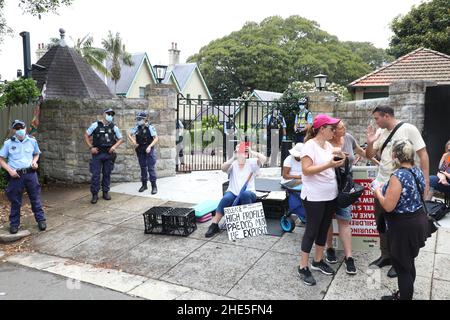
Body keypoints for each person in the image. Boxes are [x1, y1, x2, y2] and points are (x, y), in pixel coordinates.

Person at [366, 106, 429, 278]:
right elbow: (368, 154)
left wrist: (425, 184)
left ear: (387, 115)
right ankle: (385, 256)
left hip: (399, 186)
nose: (376, 122)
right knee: (381, 223)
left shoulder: (409, 129)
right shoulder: (380, 131)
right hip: (381, 184)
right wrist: (371, 141)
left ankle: (397, 260)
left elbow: (423, 155)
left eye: (377, 118)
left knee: (396, 228)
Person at [374, 139, 430, 300]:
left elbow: (388, 206)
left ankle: (404, 297)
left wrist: (378, 192)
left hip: (402, 227)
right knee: (409, 262)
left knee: (402, 266)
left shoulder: (398, 176)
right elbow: (423, 195)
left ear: (395, 155)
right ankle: (405, 294)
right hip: (417, 221)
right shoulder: (417, 171)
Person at [297, 114, 346, 286]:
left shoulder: (327, 145)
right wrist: (330, 165)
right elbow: (306, 170)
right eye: (331, 128)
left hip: (329, 194)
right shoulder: (309, 146)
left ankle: (318, 260)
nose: (334, 130)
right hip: (314, 196)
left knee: (324, 228)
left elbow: (335, 157)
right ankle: (303, 266)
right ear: (322, 129)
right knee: (312, 230)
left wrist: (340, 159)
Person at [325, 120, 370, 275]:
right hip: (329, 184)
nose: (344, 129)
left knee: (344, 219)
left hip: (345, 185)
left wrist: (379, 162)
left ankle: (349, 257)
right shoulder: (326, 143)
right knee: (328, 218)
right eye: (340, 127)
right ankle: (329, 248)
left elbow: (362, 152)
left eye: (344, 127)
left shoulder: (349, 138)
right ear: (333, 130)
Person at [205, 142, 267, 238]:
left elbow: (264, 159)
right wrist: (234, 157)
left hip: (249, 192)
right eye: (239, 151)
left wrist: (251, 151)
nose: (241, 153)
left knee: (245, 195)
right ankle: (214, 224)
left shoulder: (252, 162)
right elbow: (223, 168)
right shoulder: (233, 164)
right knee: (226, 198)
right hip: (233, 192)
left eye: (243, 151)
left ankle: (247, 224)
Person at [0, 120, 46, 234]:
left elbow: (36, 153)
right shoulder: (8, 143)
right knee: (15, 201)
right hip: (16, 176)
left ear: (25, 128)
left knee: (35, 199)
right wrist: (10, 171)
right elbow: (1, 159)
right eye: (17, 128)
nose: (19, 130)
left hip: (31, 174)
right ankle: (14, 224)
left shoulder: (32, 141)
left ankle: (41, 220)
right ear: (13, 130)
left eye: (21, 127)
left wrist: (35, 162)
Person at [84, 108, 123, 204]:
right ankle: (94, 194)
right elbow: (86, 135)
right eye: (108, 113)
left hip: (108, 153)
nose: (110, 116)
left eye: (112, 114)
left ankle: (105, 192)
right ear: (104, 114)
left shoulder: (114, 127)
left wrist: (114, 147)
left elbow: (120, 139)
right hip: (97, 153)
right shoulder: (95, 125)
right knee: (95, 175)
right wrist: (90, 147)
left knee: (107, 174)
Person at [128, 111, 159, 194]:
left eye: (140, 119)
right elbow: (129, 135)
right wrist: (134, 142)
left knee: (150, 168)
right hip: (140, 149)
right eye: (137, 119)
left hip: (149, 149)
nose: (138, 120)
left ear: (145, 119)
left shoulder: (150, 127)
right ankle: (144, 185)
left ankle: (154, 186)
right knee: (143, 167)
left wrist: (149, 146)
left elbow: (156, 138)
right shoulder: (137, 127)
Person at [281, 143, 306, 223]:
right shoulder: (288, 159)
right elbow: (285, 175)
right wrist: (299, 177)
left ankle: (303, 213)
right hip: (289, 181)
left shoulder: (305, 159)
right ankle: (302, 212)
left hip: (302, 181)